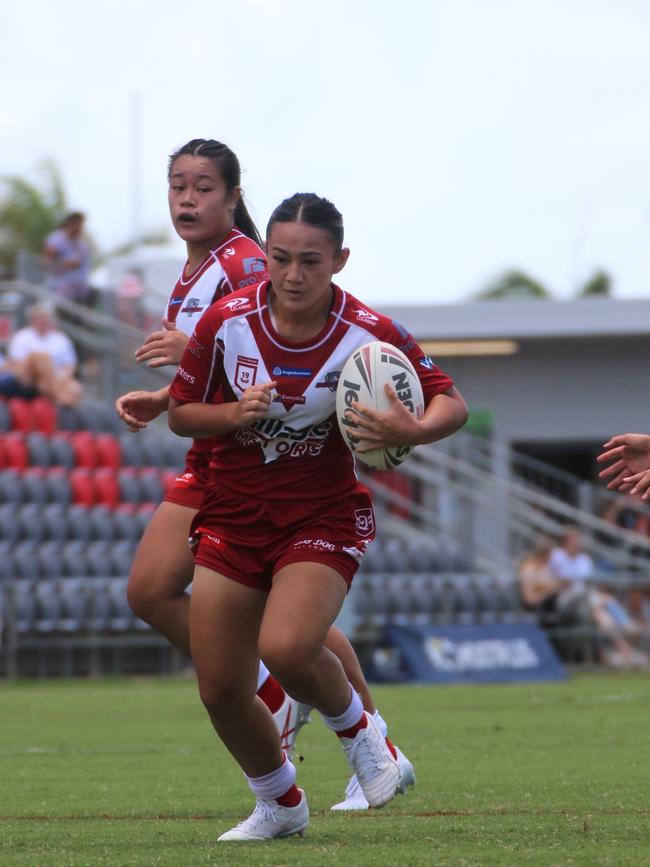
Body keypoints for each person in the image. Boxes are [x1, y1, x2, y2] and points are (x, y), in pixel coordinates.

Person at [114, 142, 415, 807]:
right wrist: (168, 398)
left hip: (253, 461)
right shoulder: (196, 266)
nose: (187, 199)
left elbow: (276, 345)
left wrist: (186, 365)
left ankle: (318, 717)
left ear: (232, 196)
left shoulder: (248, 260)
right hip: (219, 447)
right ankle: (360, 736)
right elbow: (225, 363)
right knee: (211, 606)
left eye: (203, 188)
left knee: (187, 598)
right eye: (177, 186)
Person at [167, 192, 468, 840]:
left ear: (339, 260)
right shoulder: (225, 321)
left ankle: (367, 741)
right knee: (221, 687)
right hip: (234, 513)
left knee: (286, 646)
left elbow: (452, 402)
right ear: (266, 255)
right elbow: (182, 411)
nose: (293, 274)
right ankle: (279, 804)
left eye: (310, 260)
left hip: (321, 514)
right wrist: (233, 413)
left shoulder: (369, 330)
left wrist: (410, 427)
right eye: (280, 258)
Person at [1, 304, 83, 406]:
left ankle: (58, 402)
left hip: (55, 379)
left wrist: (58, 380)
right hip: (29, 378)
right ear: (33, 320)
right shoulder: (22, 337)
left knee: (75, 388)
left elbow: (70, 366)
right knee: (40, 357)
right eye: (39, 318)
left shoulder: (61, 339)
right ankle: (56, 396)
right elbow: (16, 365)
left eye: (45, 318)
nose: (43, 321)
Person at [42, 212, 93, 304]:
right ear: (72, 223)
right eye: (80, 224)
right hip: (60, 291)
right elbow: (46, 261)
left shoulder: (81, 244)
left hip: (80, 293)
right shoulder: (57, 239)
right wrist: (63, 264)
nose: (81, 228)